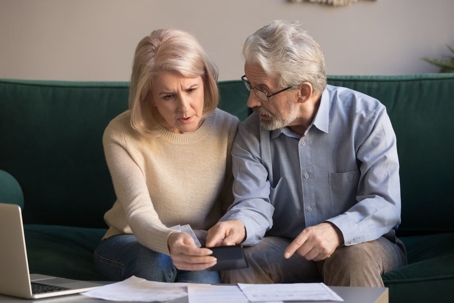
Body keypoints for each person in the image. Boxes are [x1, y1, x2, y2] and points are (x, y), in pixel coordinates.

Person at [205, 20, 407, 287]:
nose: (251, 102)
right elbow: (252, 203)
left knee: (349, 257)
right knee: (240, 258)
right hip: (288, 249)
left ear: (303, 91)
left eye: (263, 90)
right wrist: (240, 225)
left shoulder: (366, 117)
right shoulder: (251, 131)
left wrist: (336, 230)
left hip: (361, 243)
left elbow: (384, 202)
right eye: (250, 86)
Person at [94, 28, 239, 284]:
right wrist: (170, 240)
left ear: (206, 81)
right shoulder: (121, 133)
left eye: (192, 89)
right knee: (155, 262)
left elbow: (234, 207)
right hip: (131, 240)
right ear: (148, 96)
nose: (185, 107)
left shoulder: (228, 128)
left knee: (203, 281)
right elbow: (138, 214)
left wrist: (213, 240)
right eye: (168, 96)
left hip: (201, 243)